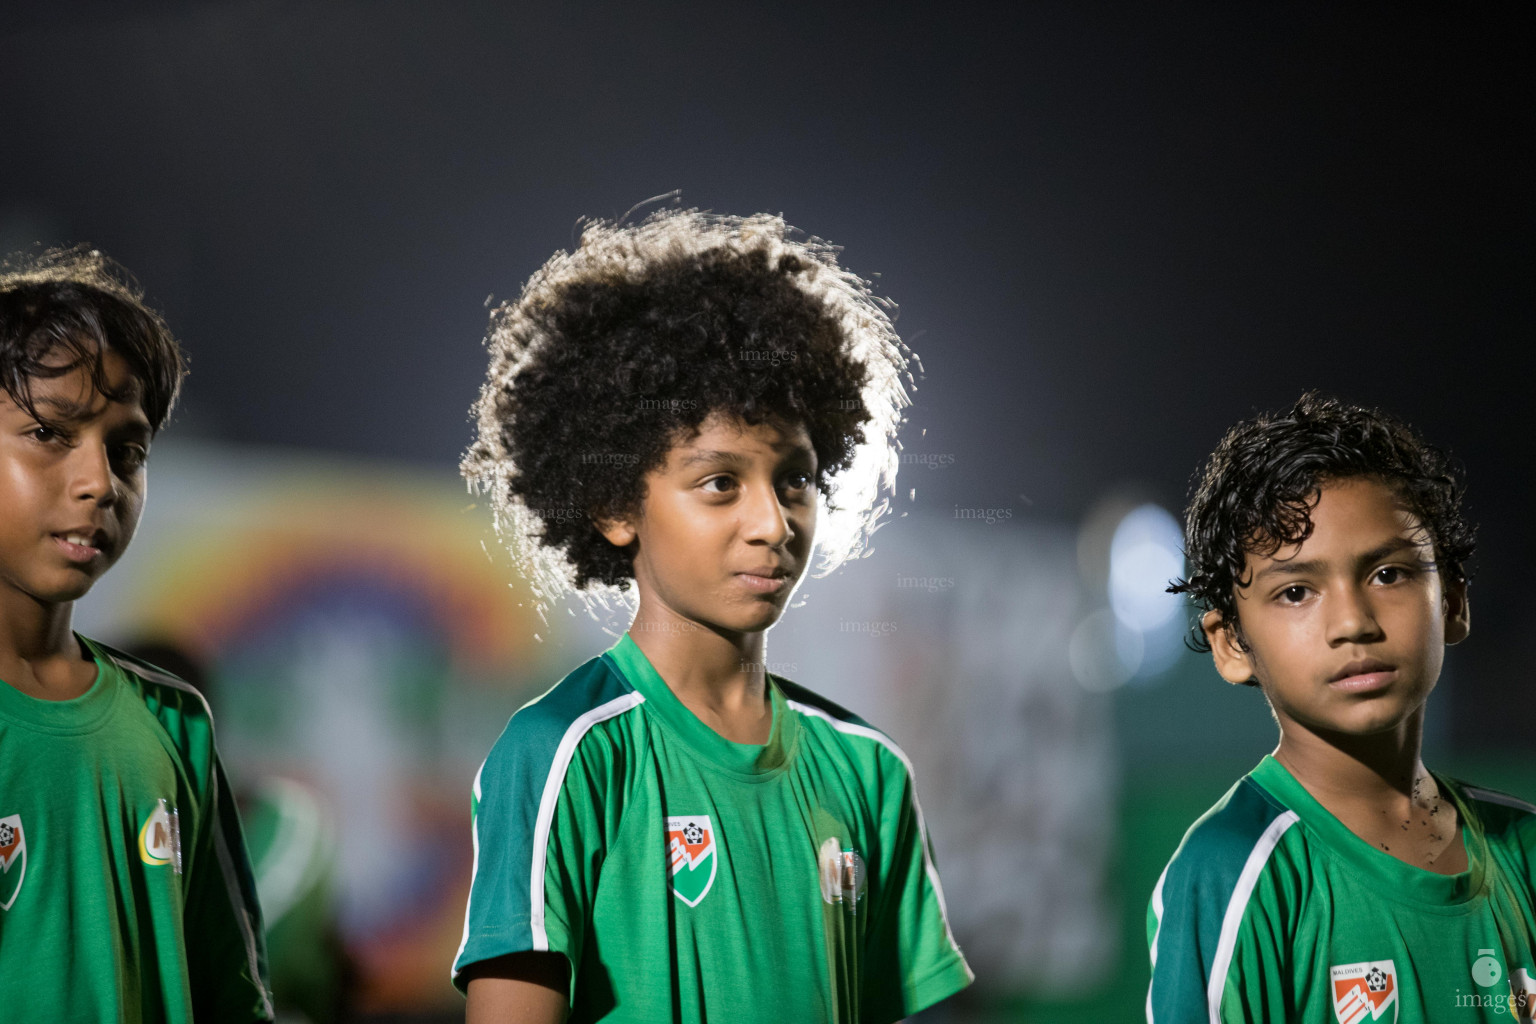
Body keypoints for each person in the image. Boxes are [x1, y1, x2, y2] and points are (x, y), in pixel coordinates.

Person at [452, 206, 973, 1023]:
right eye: (720, 483)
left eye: (795, 479)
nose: (772, 522)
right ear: (616, 506)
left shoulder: (870, 771)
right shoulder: (561, 755)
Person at [1148, 393, 1536, 1022]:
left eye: (1388, 574)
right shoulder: (1232, 869)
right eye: (1296, 591)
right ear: (1232, 644)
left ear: (1454, 603)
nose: (1352, 622)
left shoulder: (1524, 846)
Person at [0, 249, 273, 1021]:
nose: (99, 482)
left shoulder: (172, 718)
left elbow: (233, 993)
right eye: (50, 432)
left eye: (128, 450)